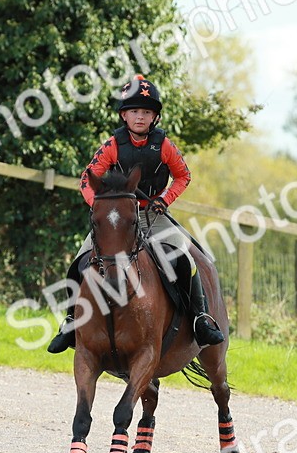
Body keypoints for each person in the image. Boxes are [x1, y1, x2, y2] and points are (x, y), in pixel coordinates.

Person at [46, 75, 225, 353]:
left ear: (154, 117)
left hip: (152, 215)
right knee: (80, 260)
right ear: (124, 115)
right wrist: (100, 206)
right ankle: (71, 320)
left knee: (185, 256)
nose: (140, 117)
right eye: (134, 111)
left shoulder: (164, 144)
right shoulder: (112, 145)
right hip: (117, 218)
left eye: (146, 112)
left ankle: (200, 318)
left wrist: (164, 200)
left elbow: (183, 176)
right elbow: (86, 178)